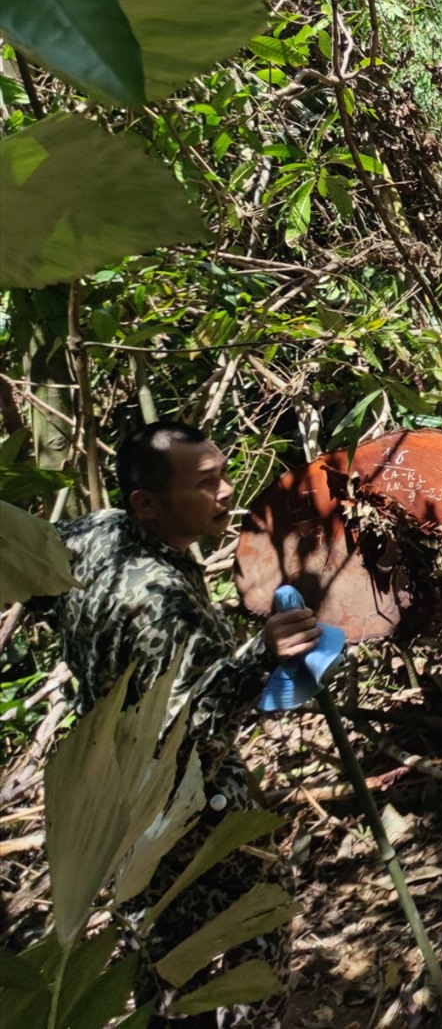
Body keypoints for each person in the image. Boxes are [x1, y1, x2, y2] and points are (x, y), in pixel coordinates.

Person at [52, 421, 319, 1019]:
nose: (226, 491)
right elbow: (186, 729)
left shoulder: (96, 533)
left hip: (113, 811)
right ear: (147, 503)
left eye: (222, 474)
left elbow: (38, 570)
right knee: (248, 954)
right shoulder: (161, 602)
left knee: (161, 973)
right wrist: (260, 656)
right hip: (189, 822)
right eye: (206, 484)